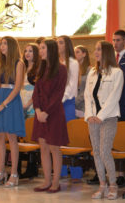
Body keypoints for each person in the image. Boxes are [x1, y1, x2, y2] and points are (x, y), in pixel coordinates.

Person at [85, 40, 123, 200]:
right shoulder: (92, 72)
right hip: (92, 119)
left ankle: (113, 184)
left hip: (108, 118)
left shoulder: (116, 72)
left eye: (99, 49)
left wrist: (100, 116)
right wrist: (89, 116)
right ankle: (102, 184)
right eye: (95, 49)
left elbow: (114, 97)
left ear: (106, 52)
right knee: (96, 153)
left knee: (105, 151)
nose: (96, 52)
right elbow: (87, 96)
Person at [0, 36, 26, 187]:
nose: (1, 46)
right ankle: (1, 172)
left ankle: (14, 174)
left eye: (4, 44)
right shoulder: (1, 63)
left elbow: (17, 88)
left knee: (12, 138)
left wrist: (3, 104)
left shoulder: (19, 63)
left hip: (11, 101)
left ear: (11, 46)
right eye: (1, 44)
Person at [31, 39, 68, 193]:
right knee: (43, 147)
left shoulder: (61, 69)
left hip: (53, 113)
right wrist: (38, 110)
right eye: (40, 48)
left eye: (43, 48)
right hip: (41, 114)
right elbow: (36, 92)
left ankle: (55, 182)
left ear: (50, 50)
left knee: (54, 148)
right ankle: (46, 181)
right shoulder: (41, 68)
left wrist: (47, 112)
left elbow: (58, 94)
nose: (40, 51)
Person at [108, 29, 125, 187]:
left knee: (122, 141)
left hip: (124, 105)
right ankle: (109, 173)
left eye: (118, 40)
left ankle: (122, 174)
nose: (115, 43)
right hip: (109, 106)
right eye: (113, 40)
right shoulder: (109, 58)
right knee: (110, 140)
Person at [56, 35, 81, 181]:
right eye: (56, 43)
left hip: (67, 103)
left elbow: (71, 87)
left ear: (67, 45)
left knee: (69, 138)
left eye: (60, 43)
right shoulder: (54, 62)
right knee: (57, 138)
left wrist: (58, 99)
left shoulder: (73, 62)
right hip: (56, 103)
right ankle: (61, 171)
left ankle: (76, 172)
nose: (58, 45)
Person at [21, 43, 40, 119]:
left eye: (30, 51)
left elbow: (38, 91)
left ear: (35, 53)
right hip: (21, 102)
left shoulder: (38, 69)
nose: (27, 53)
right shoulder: (22, 67)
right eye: (26, 51)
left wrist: (28, 104)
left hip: (32, 104)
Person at [74, 45, 91, 118]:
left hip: (83, 104)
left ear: (84, 54)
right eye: (74, 52)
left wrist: (77, 100)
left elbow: (88, 89)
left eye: (77, 52)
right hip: (73, 104)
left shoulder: (90, 70)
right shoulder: (73, 69)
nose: (75, 54)